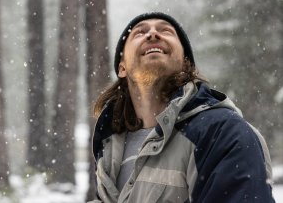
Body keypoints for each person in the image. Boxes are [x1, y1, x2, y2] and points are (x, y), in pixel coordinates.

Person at [89, 12, 275, 203]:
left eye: (166, 31)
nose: (152, 34)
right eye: (139, 33)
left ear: (186, 63)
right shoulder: (110, 146)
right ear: (122, 68)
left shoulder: (222, 132)